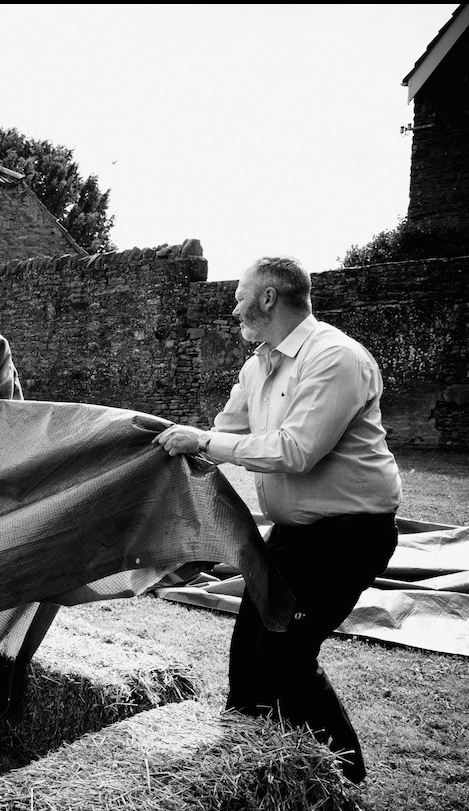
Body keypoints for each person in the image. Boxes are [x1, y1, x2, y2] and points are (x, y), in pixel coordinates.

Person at [155, 256, 401, 783]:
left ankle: (344, 780)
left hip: (348, 536)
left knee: (286, 655)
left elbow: (297, 450)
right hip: (293, 535)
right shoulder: (259, 364)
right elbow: (225, 430)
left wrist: (202, 440)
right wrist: (166, 443)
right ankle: (245, 770)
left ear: (268, 298)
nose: (235, 306)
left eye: (241, 295)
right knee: (249, 651)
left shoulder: (335, 358)